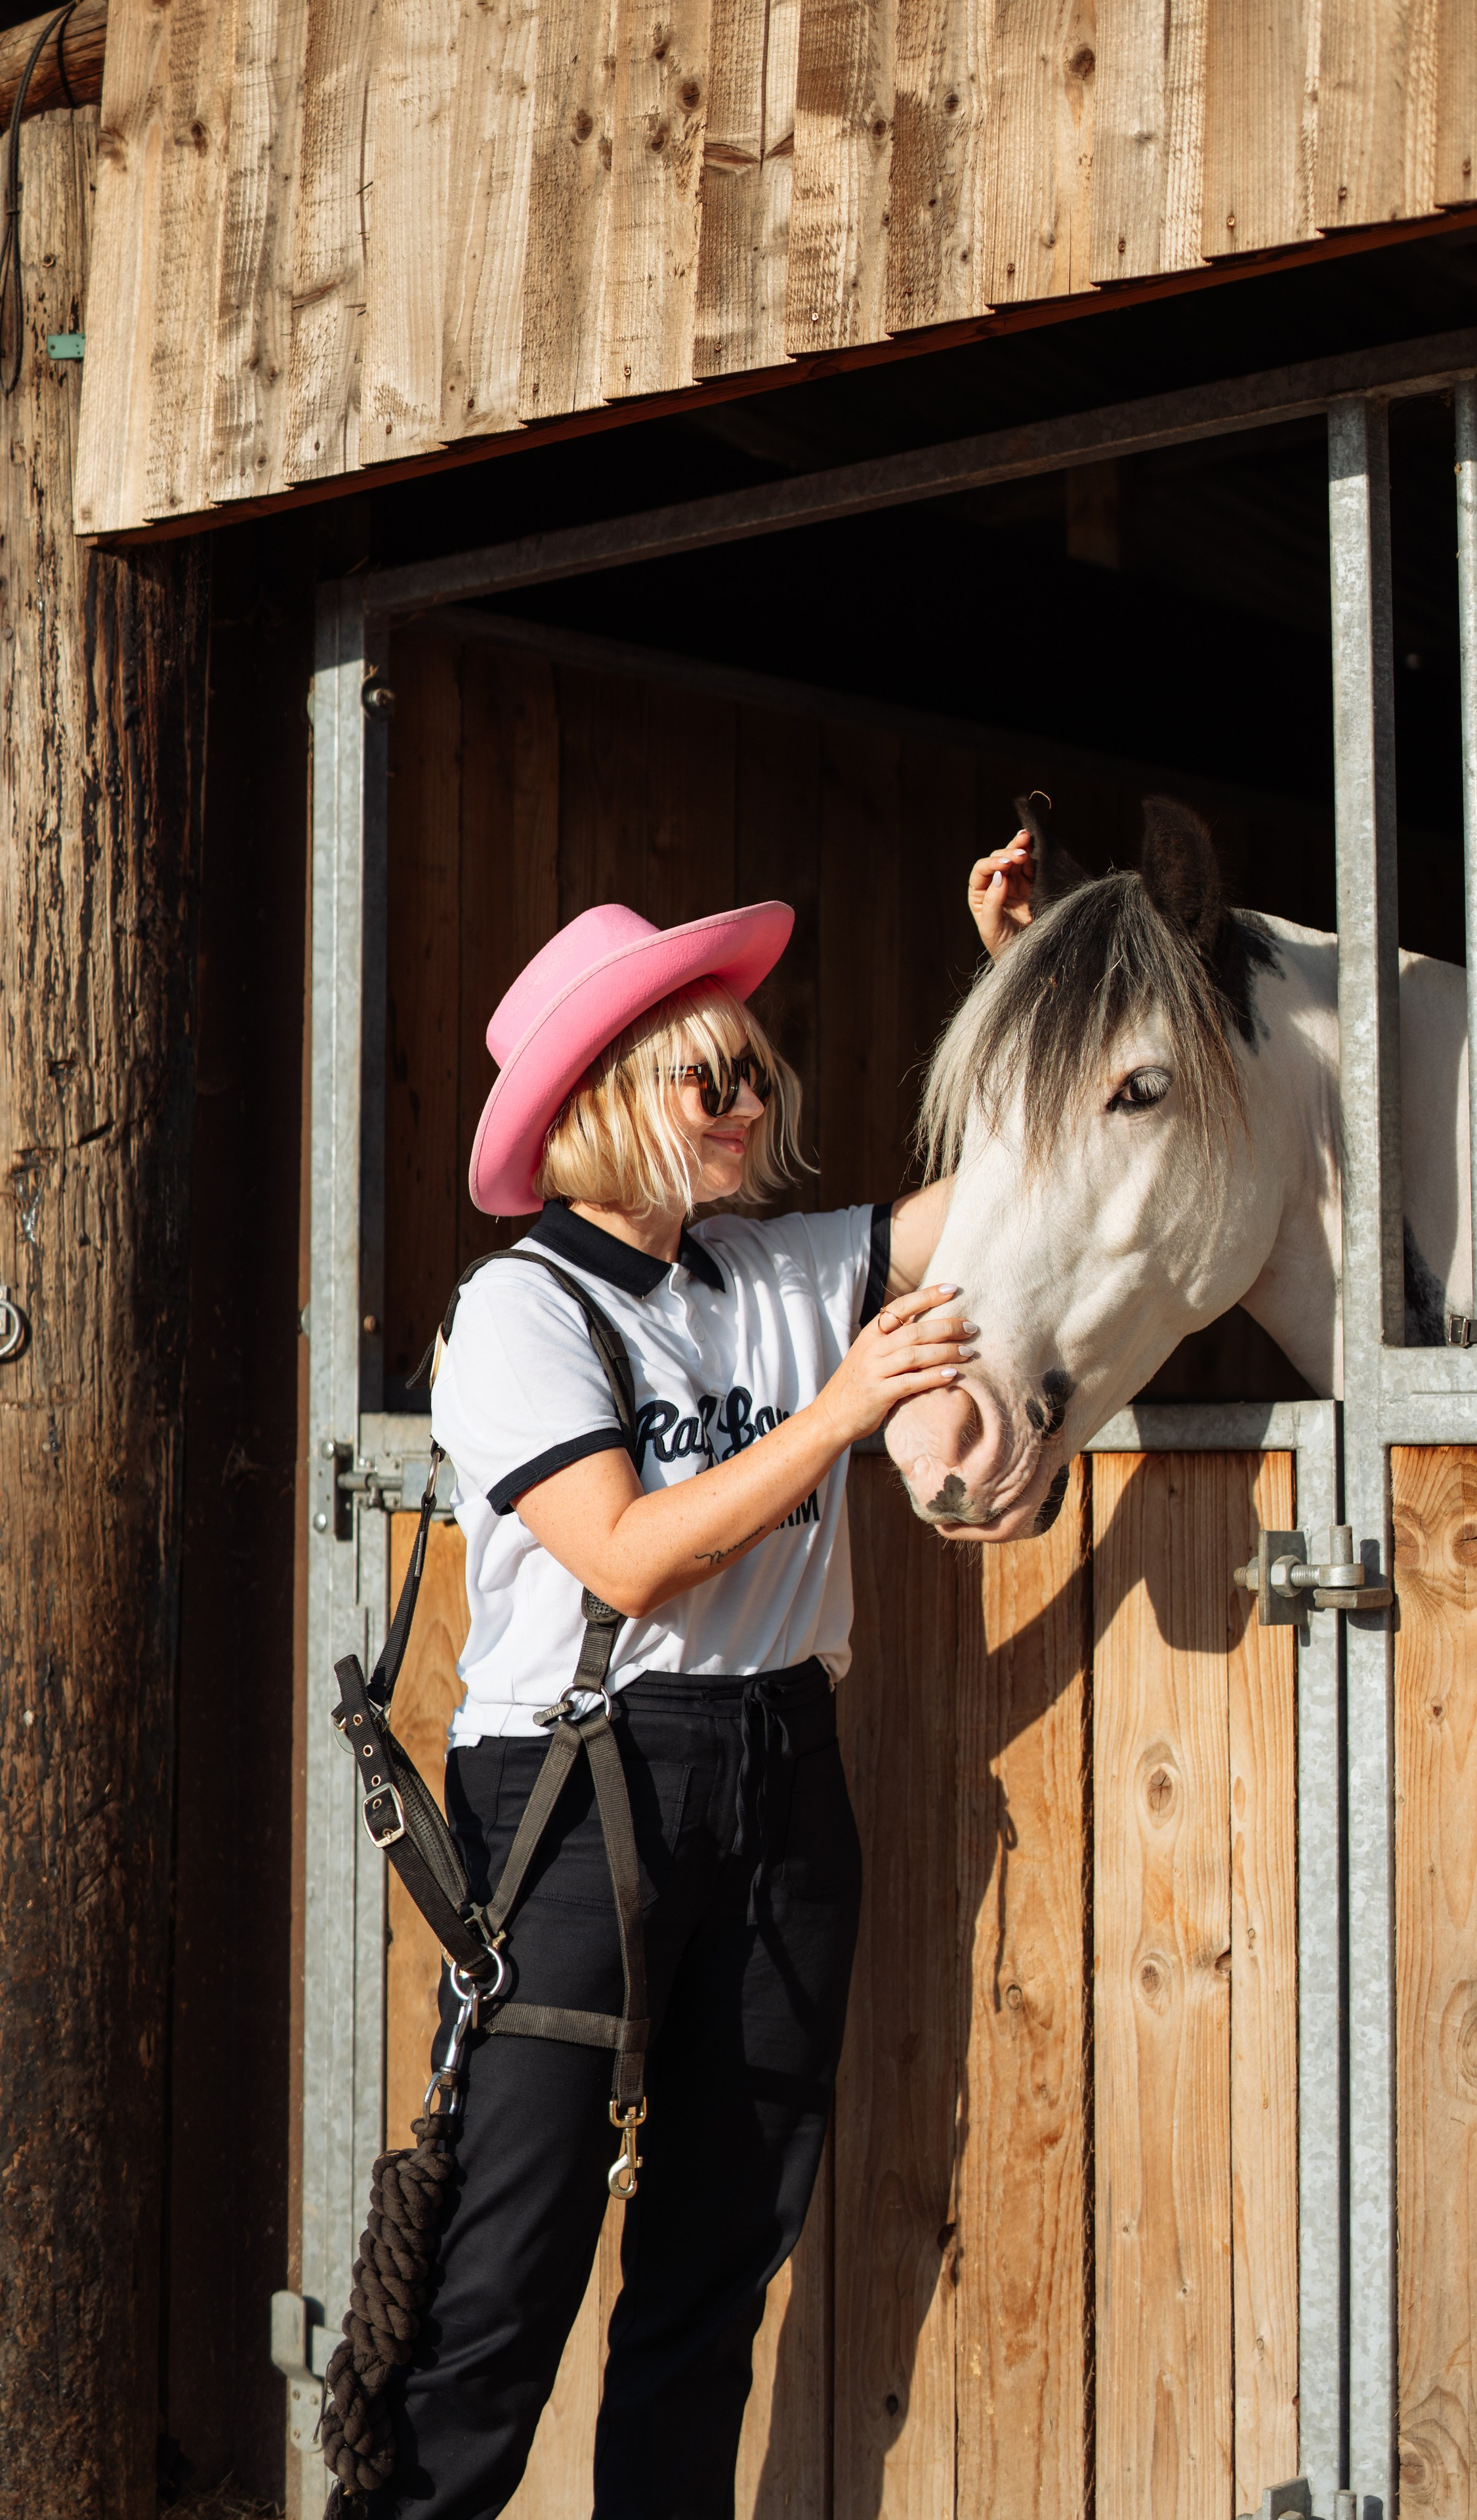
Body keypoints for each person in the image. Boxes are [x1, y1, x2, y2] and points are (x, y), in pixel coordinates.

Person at [389, 888, 991, 2519]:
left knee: (717, 2265)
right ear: (596, 1105)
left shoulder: (782, 1266)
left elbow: (1011, 1192)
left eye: (750, 1072)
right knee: (502, 2274)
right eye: (701, 1078)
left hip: (782, 1764)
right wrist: (845, 1405)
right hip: (580, 1795)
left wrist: (1022, 981)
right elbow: (630, 1557)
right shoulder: (520, 1309)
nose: (743, 1102)